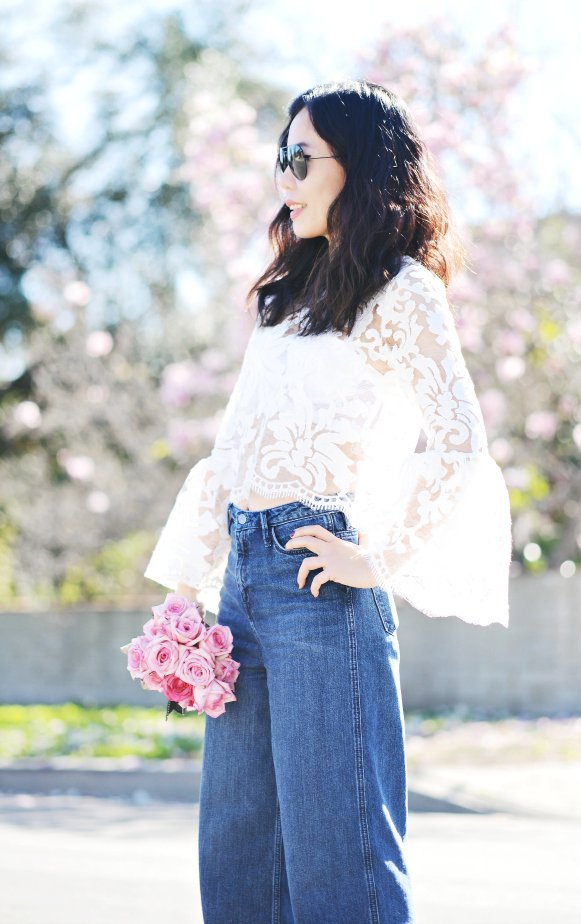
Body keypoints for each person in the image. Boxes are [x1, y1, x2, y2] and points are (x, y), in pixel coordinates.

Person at [143, 79, 512, 924]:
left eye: (302, 157)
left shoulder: (401, 291)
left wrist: (375, 559)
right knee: (236, 863)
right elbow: (233, 451)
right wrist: (187, 595)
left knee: (340, 864)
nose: (286, 175)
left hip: (320, 588)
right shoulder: (284, 298)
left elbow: (461, 443)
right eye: (282, 155)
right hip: (240, 583)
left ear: (365, 169)